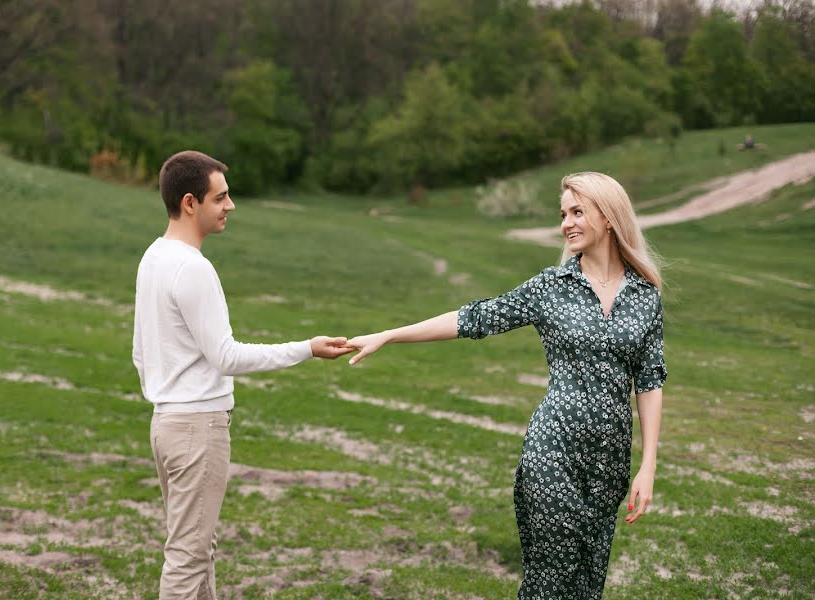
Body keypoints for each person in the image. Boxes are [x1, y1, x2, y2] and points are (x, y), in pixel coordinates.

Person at [345, 172, 666, 599]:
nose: (566, 223)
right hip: (553, 450)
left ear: (608, 218)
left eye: (577, 212)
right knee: (549, 577)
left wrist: (648, 465)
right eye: (563, 213)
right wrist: (388, 335)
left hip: (609, 462)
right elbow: (473, 318)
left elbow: (649, 380)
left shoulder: (645, 296)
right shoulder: (550, 288)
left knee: (588, 581)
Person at [132, 150, 352, 600]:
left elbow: (141, 353)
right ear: (190, 203)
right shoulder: (193, 268)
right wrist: (306, 348)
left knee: (197, 548)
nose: (230, 206)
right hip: (197, 428)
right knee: (188, 555)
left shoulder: (154, 256)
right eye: (221, 197)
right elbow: (227, 357)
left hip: (167, 425)